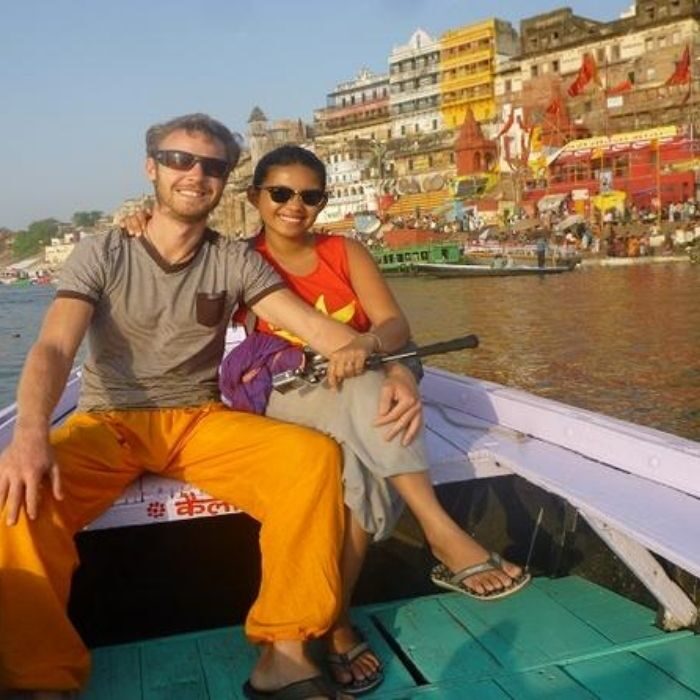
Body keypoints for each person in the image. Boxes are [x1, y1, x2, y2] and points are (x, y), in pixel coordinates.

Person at [0, 115, 382, 700]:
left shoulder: (232, 260)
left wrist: (383, 360)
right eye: (180, 160)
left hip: (199, 419)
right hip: (110, 421)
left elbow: (307, 323)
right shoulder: (104, 251)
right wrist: (29, 432)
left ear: (225, 181)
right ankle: (38, 678)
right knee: (17, 501)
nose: (194, 174)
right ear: (151, 167)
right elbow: (54, 344)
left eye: (212, 166)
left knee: (309, 460)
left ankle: (284, 654)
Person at [221, 146, 530, 693]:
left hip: (361, 384)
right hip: (288, 393)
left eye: (310, 195)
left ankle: (335, 621)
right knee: (370, 388)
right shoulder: (240, 261)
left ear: (322, 202)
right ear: (255, 198)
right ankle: (440, 531)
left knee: (357, 470)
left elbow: (392, 324)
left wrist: (378, 353)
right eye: (281, 193)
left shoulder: (345, 252)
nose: (295, 206)